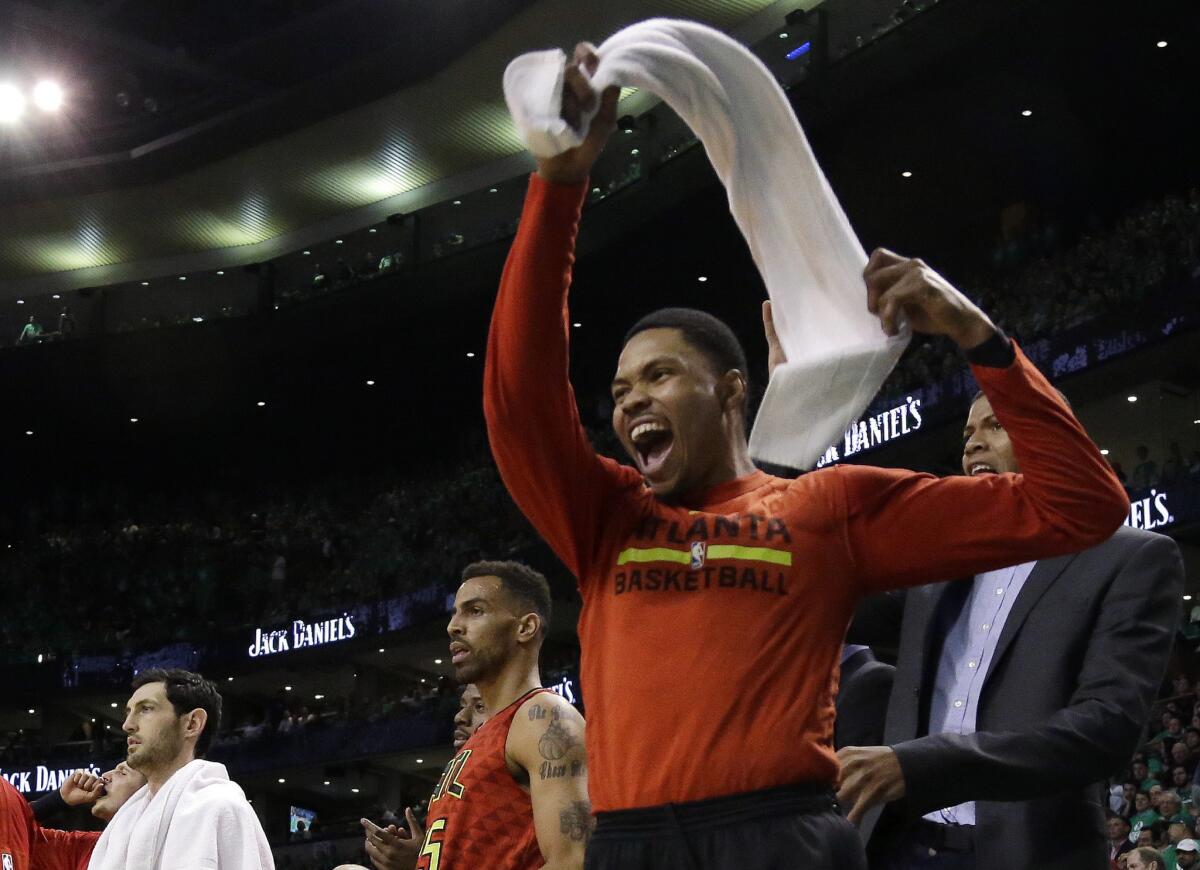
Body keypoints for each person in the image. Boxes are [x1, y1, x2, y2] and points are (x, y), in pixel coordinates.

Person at [483, 42, 1128, 870]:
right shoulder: (605, 516)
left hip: (780, 839)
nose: (631, 400)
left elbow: (1082, 505)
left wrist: (979, 336)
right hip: (631, 847)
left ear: (730, 389)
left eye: (660, 375)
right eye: (618, 391)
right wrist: (558, 186)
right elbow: (518, 403)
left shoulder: (829, 509)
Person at [838, 388, 1183, 869]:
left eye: (995, 426)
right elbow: (827, 593)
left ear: (1052, 437)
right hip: (901, 844)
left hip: (1028, 851)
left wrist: (924, 763)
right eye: (968, 434)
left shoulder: (1132, 557)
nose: (972, 445)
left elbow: (1104, 728)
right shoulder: (943, 556)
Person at [367, 563, 589, 870]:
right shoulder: (484, 734)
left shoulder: (544, 717)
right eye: (456, 613)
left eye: (475, 611)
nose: (453, 626)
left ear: (525, 628)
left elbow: (574, 862)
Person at [85, 668, 273, 869]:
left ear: (192, 723)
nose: (127, 725)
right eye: (129, 712)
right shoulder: (123, 824)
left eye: (146, 709)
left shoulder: (222, 806)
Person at [361, 683, 489, 869]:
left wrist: (420, 862)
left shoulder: (511, 775)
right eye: (462, 705)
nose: (460, 717)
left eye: (480, 707)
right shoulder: (457, 774)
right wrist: (424, 855)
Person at [28, 764, 148, 870]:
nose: (105, 776)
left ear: (149, 792)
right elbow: (16, 832)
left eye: (122, 773)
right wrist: (58, 799)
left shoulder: (164, 846)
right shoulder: (87, 848)